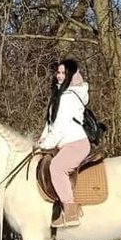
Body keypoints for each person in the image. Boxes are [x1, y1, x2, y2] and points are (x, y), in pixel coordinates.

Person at [37, 58, 91, 228]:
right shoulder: (60, 94)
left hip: (76, 143)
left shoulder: (69, 97)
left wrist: (45, 145)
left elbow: (60, 128)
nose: (59, 76)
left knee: (57, 168)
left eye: (63, 73)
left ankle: (71, 211)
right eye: (58, 72)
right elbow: (51, 123)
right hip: (64, 142)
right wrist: (42, 138)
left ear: (70, 75)